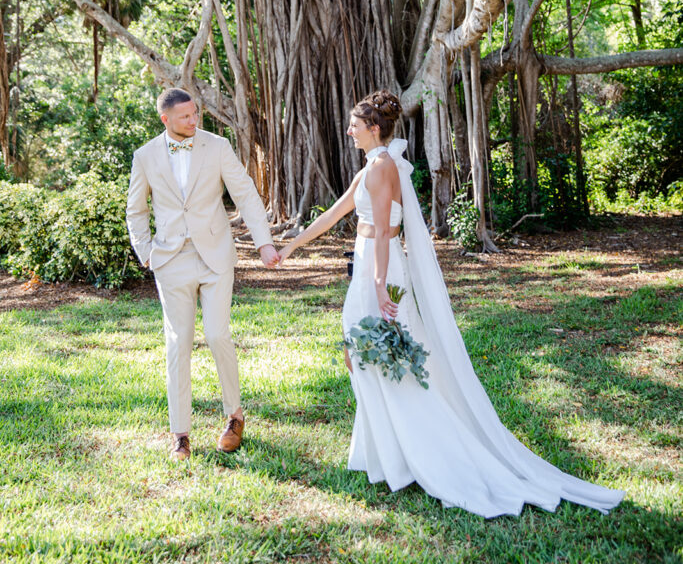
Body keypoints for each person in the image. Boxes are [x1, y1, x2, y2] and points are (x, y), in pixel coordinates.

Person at [278, 89, 624, 517]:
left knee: (384, 357)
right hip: (369, 266)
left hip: (378, 270)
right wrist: (290, 248)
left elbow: (387, 232)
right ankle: (386, 453)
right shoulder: (373, 165)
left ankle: (415, 454)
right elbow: (333, 215)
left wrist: (382, 285)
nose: (349, 130)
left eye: (354, 124)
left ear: (373, 128)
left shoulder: (384, 166)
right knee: (362, 354)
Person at [126, 88, 279, 460]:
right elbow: (136, 210)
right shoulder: (145, 155)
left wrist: (264, 244)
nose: (194, 121)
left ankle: (234, 417)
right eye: (185, 117)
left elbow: (244, 194)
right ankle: (180, 434)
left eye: (196, 114)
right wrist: (146, 253)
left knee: (217, 334)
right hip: (170, 260)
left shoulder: (217, 146)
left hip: (215, 256)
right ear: (166, 119)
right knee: (178, 343)